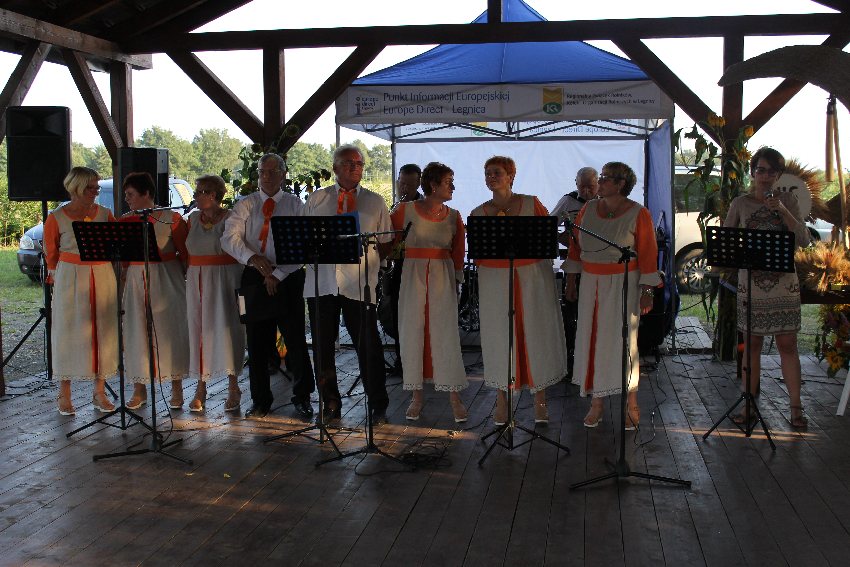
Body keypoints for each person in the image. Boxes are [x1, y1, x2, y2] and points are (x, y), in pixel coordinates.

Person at [471, 156, 568, 425]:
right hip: (495, 280)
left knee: (535, 334)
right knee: (499, 337)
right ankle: (502, 400)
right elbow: (478, 255)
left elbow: (547, 240)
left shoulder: (531, 203)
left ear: (511, 176)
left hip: (531, 277)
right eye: (487, 173)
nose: (491, 177)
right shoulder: (478, 213)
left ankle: (540, 400)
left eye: (497, 172)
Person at [564, 162, 660, 429]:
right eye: (601, 177)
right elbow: (575, 247)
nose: (601, 182)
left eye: (606, 178)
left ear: (620, 184)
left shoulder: (639, 213)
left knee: (624, 343)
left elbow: (648, 254)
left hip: (623, 283)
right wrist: (571, 281)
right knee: (592, 339)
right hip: (590, 282)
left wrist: (647, 291)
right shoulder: (587, 209)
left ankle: (631, 403)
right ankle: (597, 404)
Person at [304, 144, 393, 424]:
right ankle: (330, 402)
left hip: (359, 283)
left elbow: (387, 241)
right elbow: (303, 238)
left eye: (359, 163)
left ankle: (377, 403)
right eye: (348, 163)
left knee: (368, 345)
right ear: (335, 168)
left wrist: (371, 261)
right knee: (322, 348)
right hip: (322, 282)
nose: (355, 167)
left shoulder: (375, 201)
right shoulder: (317, 199)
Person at [221, 153, 315, 419]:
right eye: (263, 171)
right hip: (253, 277)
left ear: (284, 174)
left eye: (273, 171)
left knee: (295, 340)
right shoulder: (246, 204)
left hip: (288, 277)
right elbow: (229, 238)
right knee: (257, 343)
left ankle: (302, 397)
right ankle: (260, 400)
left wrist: (278, 274)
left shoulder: (296, 205)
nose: (267, 176)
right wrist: (253, 258)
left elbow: (304, 245)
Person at [724, 147, 809, 428]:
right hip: (752, 283)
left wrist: (782, 211)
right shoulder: (740, 203)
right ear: (752, 172)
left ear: (779, 175)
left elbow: (804, 239)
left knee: (788, 344)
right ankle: (748, 405)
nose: (765, 176)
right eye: (760, 170)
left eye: (772, 171)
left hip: (784, 282)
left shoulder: (789, 201)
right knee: (752, 344)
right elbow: (726, 239)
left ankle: (795, 408)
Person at [391, 161, 468, 423]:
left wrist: (456, 282)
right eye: (448, 182)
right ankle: (416, 397)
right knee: (412, 332)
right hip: (413, 276)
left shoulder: (454, 215)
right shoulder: (404, 210)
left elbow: (458, 254)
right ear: (433, 185)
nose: (453, 187)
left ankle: (455, 397)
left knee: (445, 334)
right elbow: (387, 243)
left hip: (442, 277)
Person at [44, 167, 118, 415]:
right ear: (76, 187)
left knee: (103, 330)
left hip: (102, 273)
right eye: (90, 188)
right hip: (70, 276)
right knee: (68, 331)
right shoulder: (57, 217)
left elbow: (118, 244)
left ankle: (99, 392)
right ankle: (64, 393)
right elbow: (51, 253)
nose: (95, 192)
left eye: (97, 187)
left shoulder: (105, 214)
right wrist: (57, 276)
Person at [121, 172, 190, 410]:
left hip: (166, 277)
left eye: (131, 194)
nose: (127, 199)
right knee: (137, 330)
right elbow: (123, 260)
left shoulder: (172, 218)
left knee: (169, 330)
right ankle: (139, 389)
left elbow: (185, 253)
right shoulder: (125, 221)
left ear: (147, 193)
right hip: (135, 279)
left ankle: (176, 387)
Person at [184, 175, 245, 412]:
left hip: (226, 279)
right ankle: (201, 388)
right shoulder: (192, 219)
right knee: (199, 330)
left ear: (212, 195)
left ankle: (233, 387)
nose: (195, 196)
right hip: (197, 280)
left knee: (229, 329)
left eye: (199, 192)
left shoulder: (231, 218)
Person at [553, 167, 599, 380]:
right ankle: (571, 360)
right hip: (575, 264)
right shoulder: (568, 201)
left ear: (598, 184)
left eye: (590, 186)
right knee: (571, 314)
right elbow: (549, 225)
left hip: (599, 265)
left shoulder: (606, 201)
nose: (586, 191)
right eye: (582, 186)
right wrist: (561, 237)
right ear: (576, 184)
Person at [386, 162, 423, 375]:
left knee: (417, 317)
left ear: (418, 184)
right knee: (397, 314)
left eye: (409, 184)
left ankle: (419, 362)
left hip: (418, 267)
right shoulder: (396, 206)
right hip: (399, 268)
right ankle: (402, 361)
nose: (404, 188)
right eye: (402, 184)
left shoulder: (424, 206)